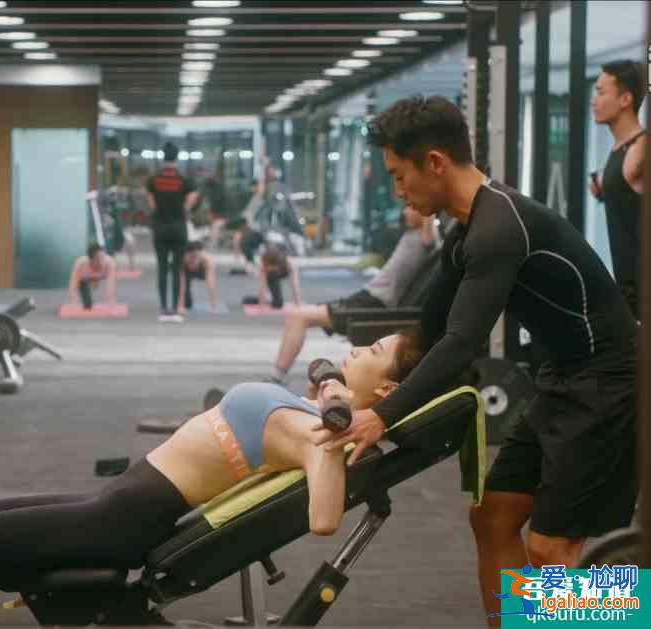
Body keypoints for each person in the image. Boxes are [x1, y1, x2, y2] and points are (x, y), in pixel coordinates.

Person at [315, 96, 639, 627]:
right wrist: (365, 384)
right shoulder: (464, 233)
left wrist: (384, 415)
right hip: (563, 378)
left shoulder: (499, 228)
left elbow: (462, 342)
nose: (399, 191)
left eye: (399, 176)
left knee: (551, 550)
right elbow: (429, 331)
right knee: (492, 518)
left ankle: (635, 607)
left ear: (435, 162)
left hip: (610, 382)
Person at [0, 329, 427, 626]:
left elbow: (324, 520)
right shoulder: (317, 411)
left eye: (373, 351)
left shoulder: (318, 433)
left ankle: (514, 619)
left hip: (122, 520)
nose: (357, 348)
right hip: (115, 502)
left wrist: (334, 435)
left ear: (387, 390)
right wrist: (332, 399)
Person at [267, 205, 441, 385]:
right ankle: (276, 376)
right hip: (367, 296)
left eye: (411, 208)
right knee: (297, 315)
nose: (405, 212)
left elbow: (431, 232)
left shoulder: (427, 237)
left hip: (374, 302)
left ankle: (276, 378)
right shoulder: (412, 234)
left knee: (298, 316)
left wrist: (429, 213)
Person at [589, 59, 646, 321]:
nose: (594, 101)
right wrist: (605, 191)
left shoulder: (640, 151)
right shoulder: (622, 149)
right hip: (629, 295)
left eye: (601, 92)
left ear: (625, 99)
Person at [146, 142, 199, 321]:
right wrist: (184, 209)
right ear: (176, 158)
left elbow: (151, 203)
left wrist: (159, 211)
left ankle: (163, 308)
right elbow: (194, 195)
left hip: (160, 227)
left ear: (163, 157)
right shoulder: (183, 179)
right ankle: (175, 309)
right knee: (177, 269)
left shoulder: (154, 179)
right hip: (178, 228)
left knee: (162, 268)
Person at [67, 243, 116, 310]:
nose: (102, 261)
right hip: (84, 278)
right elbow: (73, 287)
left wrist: (111, 305)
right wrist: (75, 304)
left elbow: (110, 287)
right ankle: (92, 286)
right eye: (99, 259)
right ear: (91, 259)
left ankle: (95, 282)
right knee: (87, 306)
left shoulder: (109, 263)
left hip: (101, 275)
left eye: (103, 257)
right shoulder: (80, 264)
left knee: (96, 284)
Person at [254, 244, 301, 310]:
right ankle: (266, 298)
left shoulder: (289, 264)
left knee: (277, 304)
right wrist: (261, 305)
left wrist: (298, 303)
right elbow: (262, 286)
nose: (271, 269)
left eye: (272, 268)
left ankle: (268, 298)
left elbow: (294, 285)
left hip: (282, 271)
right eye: (269, 267)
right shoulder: (263, 266)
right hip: (272, 276)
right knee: (277, 304)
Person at [177, 240, 218, 314]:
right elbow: (182, 286)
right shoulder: (183, 260)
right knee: (187, 304)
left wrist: (213, 307)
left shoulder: (207, 261)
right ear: (187, 254)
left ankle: (213, 305)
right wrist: (180, 306)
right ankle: (183, 303)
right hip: (187, 272)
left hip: (201, 271)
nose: (194, 259)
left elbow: (211, 285)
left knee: (210, 284)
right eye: (192, 256)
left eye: (196, 256)